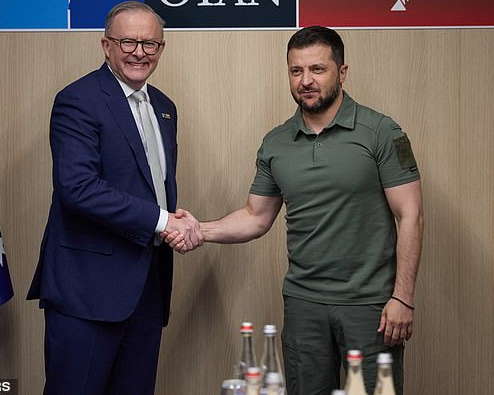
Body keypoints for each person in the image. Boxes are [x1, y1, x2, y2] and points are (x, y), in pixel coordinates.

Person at [165, 26, 423, 395]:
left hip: (371, 306)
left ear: (342, 72)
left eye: (318, 69)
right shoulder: (277, 142)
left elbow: (411, 214)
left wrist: (403, 297)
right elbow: (256, 216)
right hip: (304, 305)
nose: (306, 81)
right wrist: (199, 230)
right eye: (296, 70)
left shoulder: (381, 132)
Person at [27, 1, 201, 395]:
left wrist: (174, 222)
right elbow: (78, 188)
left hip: (146, 288)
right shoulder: (78, 100)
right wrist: (163, 221)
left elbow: (149, 184)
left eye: (149, 43)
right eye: (128, 42)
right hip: (87, 292)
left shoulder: (165, 108)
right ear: (106, 46)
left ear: (161, 48)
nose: (139, 52)